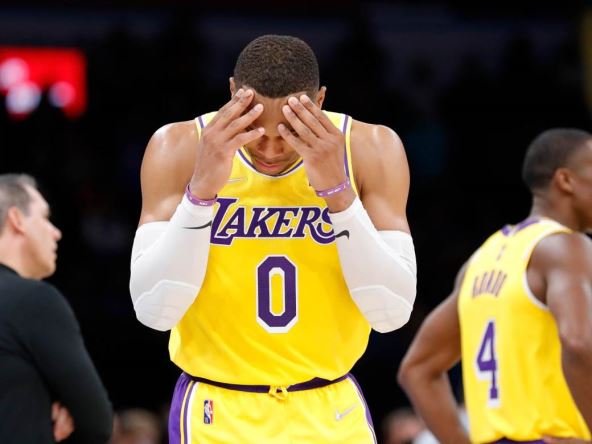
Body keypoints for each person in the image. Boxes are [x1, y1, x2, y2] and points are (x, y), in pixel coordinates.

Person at [129, 34, 417, 443]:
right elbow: (153, 312)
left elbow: (392, 314)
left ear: (319, 101)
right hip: (218, 407)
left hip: (330, 404)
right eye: (253, 128)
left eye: (287, 132)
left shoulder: (371, 148)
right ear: (233, 92)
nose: (269, 148)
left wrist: (339, 194)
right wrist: (201, 193)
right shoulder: (178, 146)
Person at [398, 129, 592, 444]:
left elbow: (417, 368)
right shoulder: (567, 247)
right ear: (566, 180)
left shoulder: (482, 259)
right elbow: (579, 342)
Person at [0, 174, 112, 443]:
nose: (56, 232)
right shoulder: (33, 301)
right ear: (16, 219)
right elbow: (97, 423)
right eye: (45, 217)